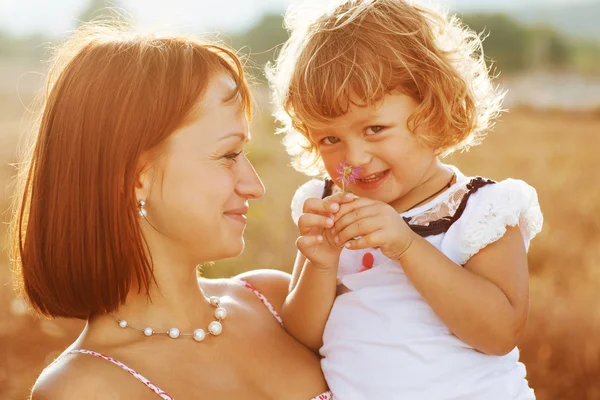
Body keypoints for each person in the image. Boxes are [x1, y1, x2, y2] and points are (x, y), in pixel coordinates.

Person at [10, 23, 332, 400]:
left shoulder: (279, 301)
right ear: (136, 177)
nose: (254, 185)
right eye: (228, 155)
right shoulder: (83, 389)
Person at [268, 0, 543, 398]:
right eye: (330, 139)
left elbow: (499, 333)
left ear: (432, 111)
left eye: (375, 129)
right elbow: (302, 337)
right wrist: (321, 264)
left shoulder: (478, 210)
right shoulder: (328, 206)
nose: (354, 159)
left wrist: (407, 245)